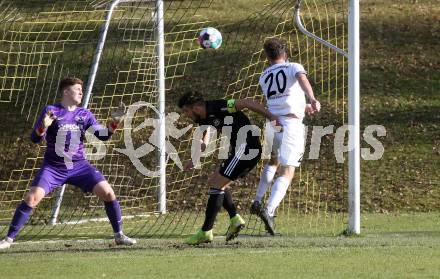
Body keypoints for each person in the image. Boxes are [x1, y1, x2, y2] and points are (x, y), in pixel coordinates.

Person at [0, 77, 136, 249]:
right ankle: (8, 240)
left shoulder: (84, 114)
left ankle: (119, 235)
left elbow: (103, 135)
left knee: (108, 193)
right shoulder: (51, 110)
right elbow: (35, 139)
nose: (81, 92)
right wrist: (43, 127)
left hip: (79, 166)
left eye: (81, 89)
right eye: (77, 89)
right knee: (31, 198)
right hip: (53, 168)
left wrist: (114, 123)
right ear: (66, 92)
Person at [178, 91, 279, 245]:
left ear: (195, 108)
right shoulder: (203, 118)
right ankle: (234, 218)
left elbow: (247, 102)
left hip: (246, 148)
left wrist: (271, 116)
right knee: (215, 181)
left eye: (186, 111)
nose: (186, 115)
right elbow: (204, 137)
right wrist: (196, 157)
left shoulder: (219, 106)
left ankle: (206, 231)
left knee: (217, 184)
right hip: (241, 149)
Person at [250, 37, 321, 235]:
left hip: (273, 123)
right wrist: (312, 99)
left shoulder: (264, 75)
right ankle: (269, 210)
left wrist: (304, 106)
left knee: (273, 162)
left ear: (267, 57)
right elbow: (302, 79)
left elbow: (281, 98)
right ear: (285, 54)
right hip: (290, 124)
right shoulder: (293, 66)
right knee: (288, 170)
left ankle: (257, 200)